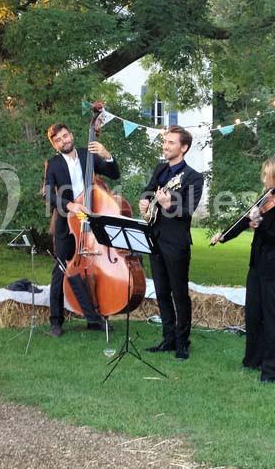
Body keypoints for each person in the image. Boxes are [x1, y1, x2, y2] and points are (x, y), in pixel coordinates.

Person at [210, 155, 275, 382]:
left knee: (274, 319)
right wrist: (224, 236)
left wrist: (258, 223)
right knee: (253, 315)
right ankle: (253, 360)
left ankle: (274, 372)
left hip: (274, 268)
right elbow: (243, 221)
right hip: (257, 264)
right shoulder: (267, 196)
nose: (264, 179)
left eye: (268, 175)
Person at [42, 122, 120, 337]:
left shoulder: (89, 155)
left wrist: (107, 155)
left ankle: (94, 318)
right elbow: (48, 194)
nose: (63, 141)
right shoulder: (53, 164)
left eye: (65, 136)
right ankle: (56, 322)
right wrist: (70, 205)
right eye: (58, 140)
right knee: (61, 270)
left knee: (93, 268)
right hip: (66, 224)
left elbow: (114, 174)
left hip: (91, 222)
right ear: (54, 145)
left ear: (71, 135)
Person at [138, 126, 204, 360]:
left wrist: (168, 204)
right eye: (164, 142)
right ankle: (168, 339)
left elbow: (187, 211)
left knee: (179, 293)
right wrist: (144, 202)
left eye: (171, 142)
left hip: (176, 242)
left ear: (183, 147)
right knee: (162, 293)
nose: (165, 146)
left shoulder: (193, 177)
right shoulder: (160, 169)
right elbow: (148, 191)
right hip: (155, 238)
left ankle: (182, 342)